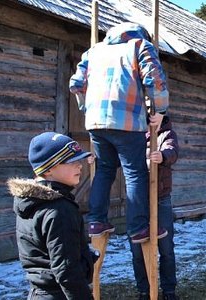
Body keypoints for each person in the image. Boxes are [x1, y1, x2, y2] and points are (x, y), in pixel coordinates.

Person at [69, 22, 169, 243]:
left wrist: (87, 108)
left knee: (104, 169)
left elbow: (76, 83)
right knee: (135, 173)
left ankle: (96, 221)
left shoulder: (94, 50)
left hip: (95, 122)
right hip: (126, 120)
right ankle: (138, 227)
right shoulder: (140, 45)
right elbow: (155, 80)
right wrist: (160, 109)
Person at [8, 132, 97, 299]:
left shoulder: (30, 201)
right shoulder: (59, 210)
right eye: (71, 161)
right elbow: (67, 271)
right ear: (48, 169)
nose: (80, 166)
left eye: (79, 160)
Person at [130, 116, 179, 300]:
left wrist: (163, 155)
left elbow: (172, 151)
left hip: (161, 199)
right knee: (137, 250)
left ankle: (169, 290)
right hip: (138, 203)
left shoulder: (167, 134)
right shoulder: (135, 136)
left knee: (166, 248)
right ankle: (144, 290)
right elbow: (122, 158)